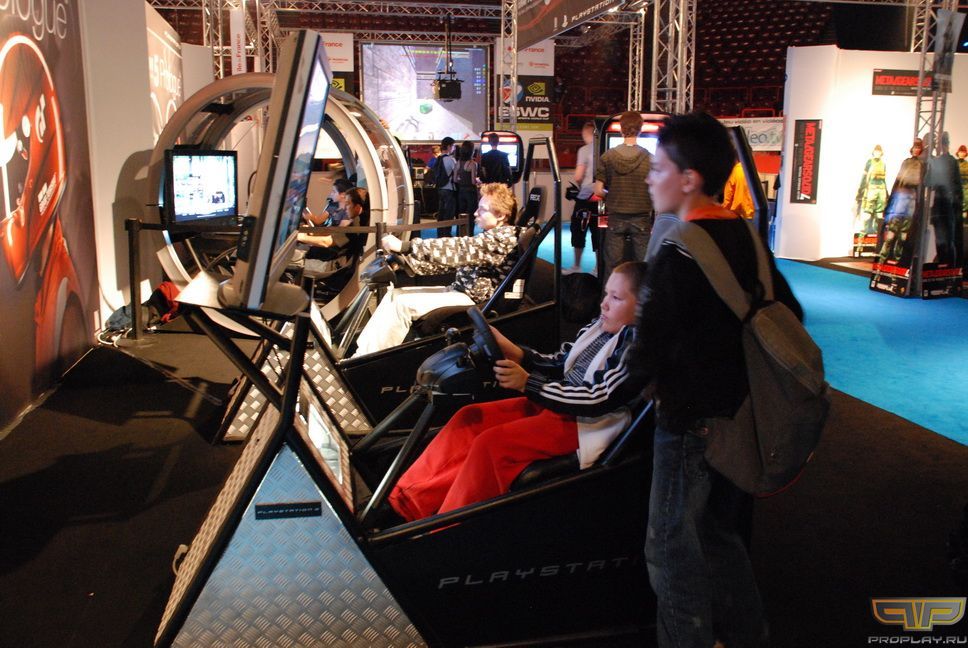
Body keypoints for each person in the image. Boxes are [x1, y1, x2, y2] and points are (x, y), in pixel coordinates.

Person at [631, 112, 802, 648]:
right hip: (739, 416)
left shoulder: (678, 248)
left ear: (689, 178)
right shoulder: (746, 237)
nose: (649, 179)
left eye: (658, 168)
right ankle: (750, 635)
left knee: (669, 548)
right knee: (717, 535)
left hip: (688, 423)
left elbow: (647, 353)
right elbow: (787, 313)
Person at [388, 261, 647, 522]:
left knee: (491, 446)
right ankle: (406, 502)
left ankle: (445, 529)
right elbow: (559, 362)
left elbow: (599, 397)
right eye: (606, 294)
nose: (604, 304)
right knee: (469, 418)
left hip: (585, 423)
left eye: (616, 298)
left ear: (643, 307)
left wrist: (528, 384)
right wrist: (518, 353)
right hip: (556, 404)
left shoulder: (635, 344)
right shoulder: (599, 327)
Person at [352, 183, 520, 357]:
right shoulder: (491, 237)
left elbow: (458, 248)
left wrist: (406, 246)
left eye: (482, 209)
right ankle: (363, 352)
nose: (476, 213)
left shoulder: (503, 239)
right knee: (396, 294)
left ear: (501, 215)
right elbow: (452, 261)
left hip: (473, 300)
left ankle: (370, 359)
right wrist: (409, 262)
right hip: (460, 290)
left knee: (400, 305)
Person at [594, 111, 654, 282]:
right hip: (642, 219)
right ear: (640, 130)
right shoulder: (651, 159)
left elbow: (598, 191)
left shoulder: (608, 157)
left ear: (621, 129)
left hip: (616, 218)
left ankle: (610, 298)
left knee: (612, 267)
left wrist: (612, 194)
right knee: (643, 266)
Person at [295, 186, 369, 279]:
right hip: (335, 262)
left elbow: (327, 242)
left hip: (333, 267)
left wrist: (301, 237)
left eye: (348, 204)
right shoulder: (361, 221)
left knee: (292, 262)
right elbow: (334, 234)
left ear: (357, 207)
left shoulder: (356, 225)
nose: (345, 207)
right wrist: (311, 233)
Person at [566, 121, 600, 273]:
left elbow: (578, 176)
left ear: (586, 133)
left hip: (585, 197)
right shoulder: (606, 148)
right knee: (598, 232)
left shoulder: (584, 150)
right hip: (602, 197)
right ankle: (598, 267)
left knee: (578, 229)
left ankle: (576, 266)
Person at [454, 140, 480, 233]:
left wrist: (462, 180)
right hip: (471, 192)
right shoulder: (472, 163)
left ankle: (459, 233)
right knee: (471, 215)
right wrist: (478, 182)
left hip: (461, 191)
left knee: (461, 214)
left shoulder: (458, 162)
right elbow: (473, 181)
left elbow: (455, 179)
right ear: (471, 151)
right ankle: (469, 234)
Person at [435, 137, 458, 237]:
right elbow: (456, 174)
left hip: (440, 188)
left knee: (441, 213)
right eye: (453, 146)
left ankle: (440, 233)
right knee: (449, 213)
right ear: (449, 146)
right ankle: (446, 234)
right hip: (449, 188)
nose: (454, 148)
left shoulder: (438, 159)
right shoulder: (450, 159)